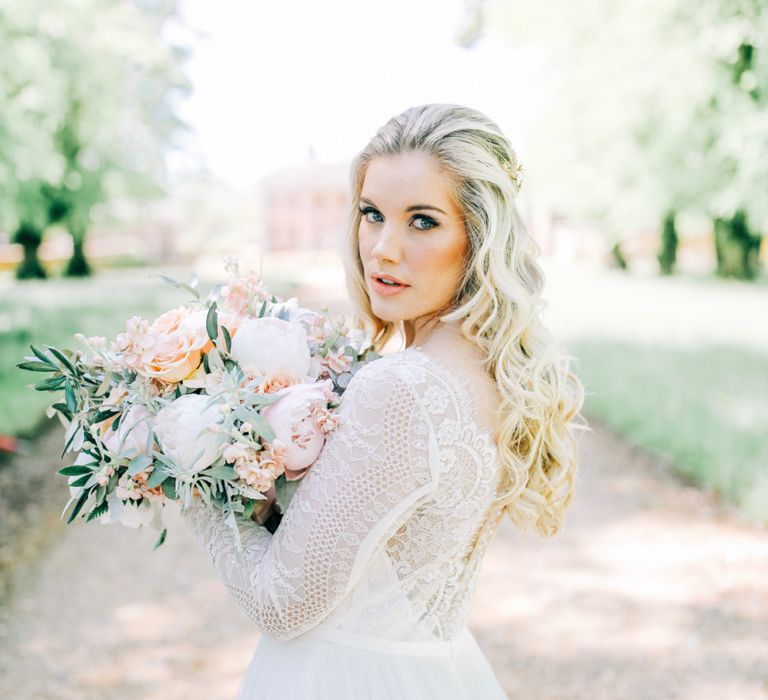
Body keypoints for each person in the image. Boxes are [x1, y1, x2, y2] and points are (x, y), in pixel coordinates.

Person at [183, 103, 588, 699]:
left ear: (478, 237)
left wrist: (185, 452)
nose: (382, 249)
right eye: (372, 215)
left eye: (422, 221)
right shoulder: (495, 374)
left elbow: (280, 604)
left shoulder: (402, 388)